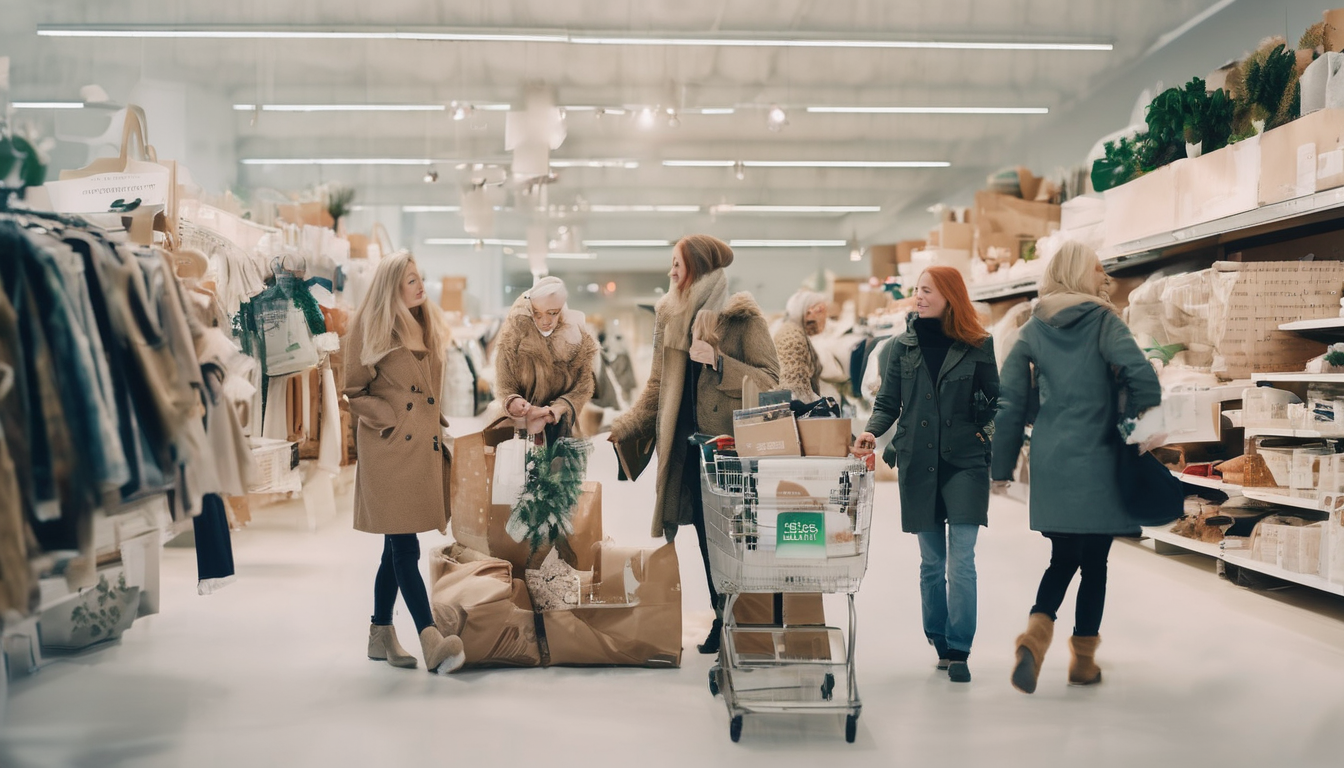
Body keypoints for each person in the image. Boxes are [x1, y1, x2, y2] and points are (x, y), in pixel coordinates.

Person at [991, 241, 1161, 694]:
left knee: (1062, 557)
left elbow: (1009, 405)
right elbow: (1142, 376)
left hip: (1052, 458)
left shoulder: (1030, 329)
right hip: (1099, 457)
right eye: (1099, 270)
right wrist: (1137, 426)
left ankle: (1034, 636)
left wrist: (1001, 467)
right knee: (1096, 564)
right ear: (1080, 275)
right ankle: (1083, 661)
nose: (1105, 278)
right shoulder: (1104, 320)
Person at [608, 235, 779, 654]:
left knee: (737, 538)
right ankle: (723, 616)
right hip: (687, 451)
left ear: (698, 268)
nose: (671, 272)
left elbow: (772, 381)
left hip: (729, 451)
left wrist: (720, 363)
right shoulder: (668, 316)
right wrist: (627, 425)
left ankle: (747, 619)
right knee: (706, 536)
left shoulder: (740, 318)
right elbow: (656, 385)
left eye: (678, 264)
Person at [852, 266, 998, 684]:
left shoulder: (978, 345)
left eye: (926, 290)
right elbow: (888, 402)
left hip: (966, 461)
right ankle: (937, 636)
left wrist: (984, 438)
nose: (918, 296)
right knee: (932, 562)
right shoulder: (900, 347)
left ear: (950, 295)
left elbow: (994, 401)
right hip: (918, 462)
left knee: (963, 558)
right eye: (916, 290)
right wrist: (870, 432)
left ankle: (960, 648)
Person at [342, 252, 465, 675]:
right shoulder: (368, 325)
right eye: (411, 280)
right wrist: (390, 418)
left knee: (393, 549)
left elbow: (428, 388)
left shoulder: (425, 320)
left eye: (421, 278)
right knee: (405, 546)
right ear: (392, 284)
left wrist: (438, 422)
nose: (420, 285)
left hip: (422, 446)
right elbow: (353, 391)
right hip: (390, 450)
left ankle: (380, 635)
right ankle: (429, 637)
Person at [494, 276, 600, 439]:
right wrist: (513, 402)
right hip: (518, 433)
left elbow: (583, 387)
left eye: (553, 313)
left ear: (561, 309)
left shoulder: (576, 344)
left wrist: (559, 408)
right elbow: (504, 385)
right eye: (537, 313)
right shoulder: (513, 339)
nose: (545, 321)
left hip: (562, 434)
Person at [774, 289, 828, 402]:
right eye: (821, 311)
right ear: (809, 313)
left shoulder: (793, 330)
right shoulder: (792, 336)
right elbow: (794, 388)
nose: (825, 318)